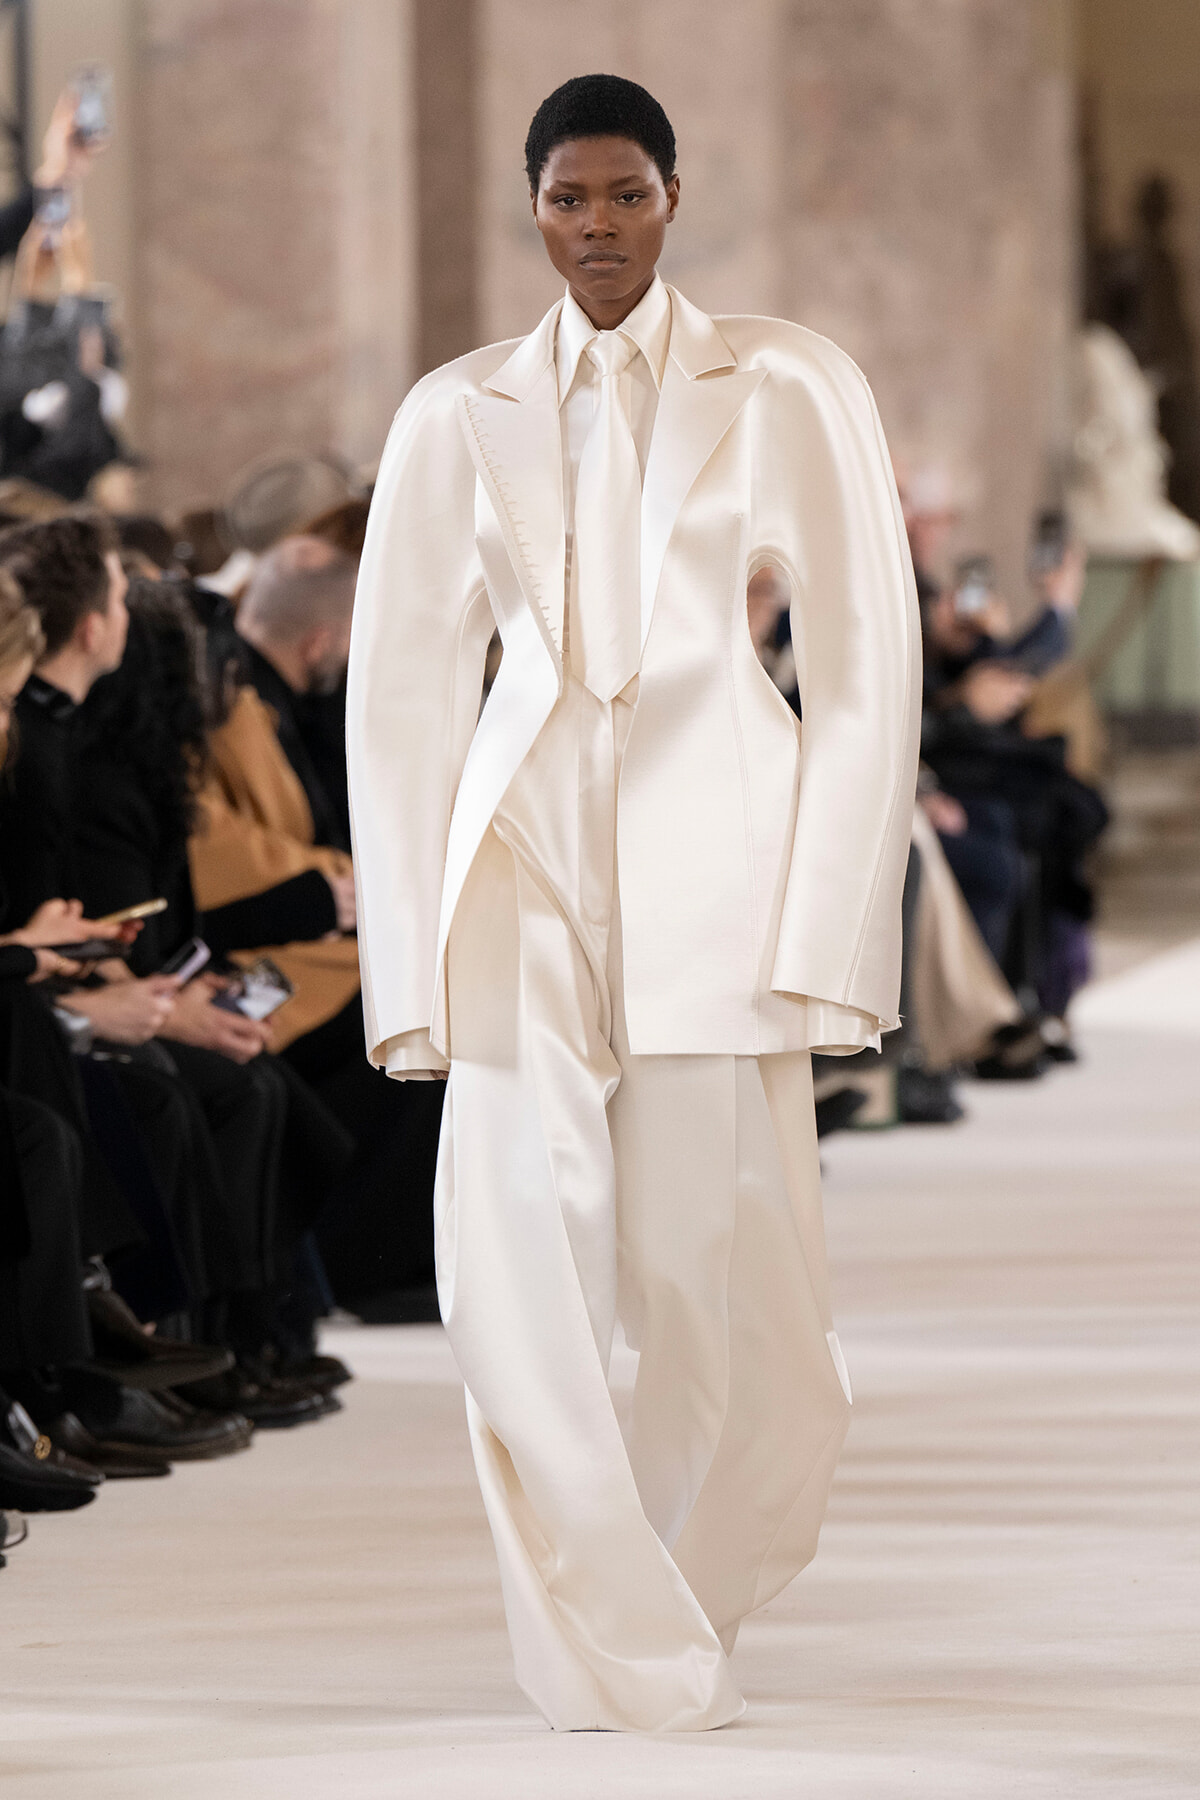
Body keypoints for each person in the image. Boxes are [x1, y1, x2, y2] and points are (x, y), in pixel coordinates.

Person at [348, 75, 919, 1731]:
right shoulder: (454, 413)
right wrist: (406, 972)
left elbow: (867, 667)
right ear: (531, 209)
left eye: (625, 196)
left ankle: (683, 1593)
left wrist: (835, 938)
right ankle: (598, 1625)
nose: (595, 227)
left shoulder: (790, 383)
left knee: (723, 1293)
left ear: (675, 198)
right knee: (510, 1274)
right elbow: (398, 694)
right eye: (566, 199)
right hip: (515, 863)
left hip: (714, 866)